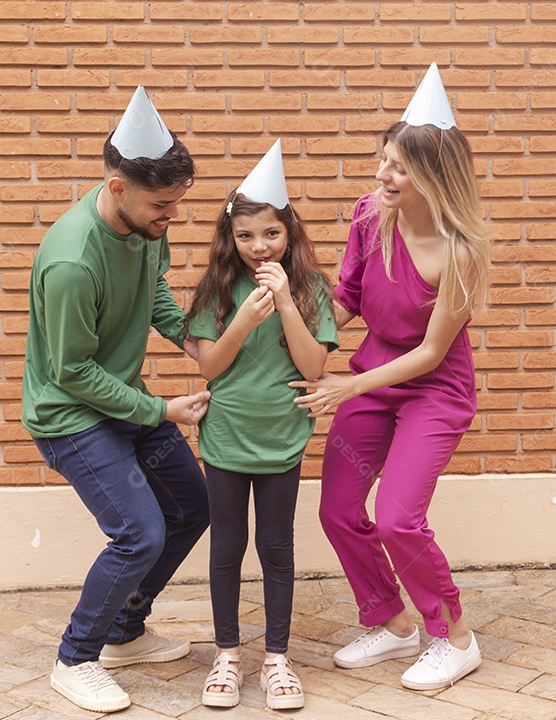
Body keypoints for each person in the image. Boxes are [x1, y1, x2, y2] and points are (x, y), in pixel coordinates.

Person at [289, 63, 491, 691]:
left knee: (401, 518)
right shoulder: (369, 215)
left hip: (433, 390)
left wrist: (346, 386)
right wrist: (295, 328)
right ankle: (391, 621)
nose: (383, 175)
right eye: (383, 161)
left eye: (399, 167)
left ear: (435, 176)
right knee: (340, 508)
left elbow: (433, 353)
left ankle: (453, 636)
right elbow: (346, 297)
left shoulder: (459, 252)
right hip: (374, 373)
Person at [21, 86, 211, 714]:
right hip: (71, 417)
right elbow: (72, 372)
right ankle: (76, 659)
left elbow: (155, 292)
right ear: (116, 186)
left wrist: (195, 342)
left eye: (177, 203)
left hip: (122, 402)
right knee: (138, 533)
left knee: (191, 506)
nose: (171, 217)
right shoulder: (73, 260)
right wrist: (162, 410)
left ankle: (126, 631)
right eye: (163, 205)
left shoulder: (146, 227)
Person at [185, 141, 338, 710]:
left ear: (289, 234)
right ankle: (227, 653)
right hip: (226, 438)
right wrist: (245, 319)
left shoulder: (311, 289)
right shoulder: (218, 290)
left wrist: (287, 306)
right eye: (246, 235)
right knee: (227, 546)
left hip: (281, 438)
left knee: (277, 547)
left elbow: (314, 366)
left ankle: (276, 657)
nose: (258, 247)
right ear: (231, 237)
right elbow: (210, 365)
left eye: (270, 234)